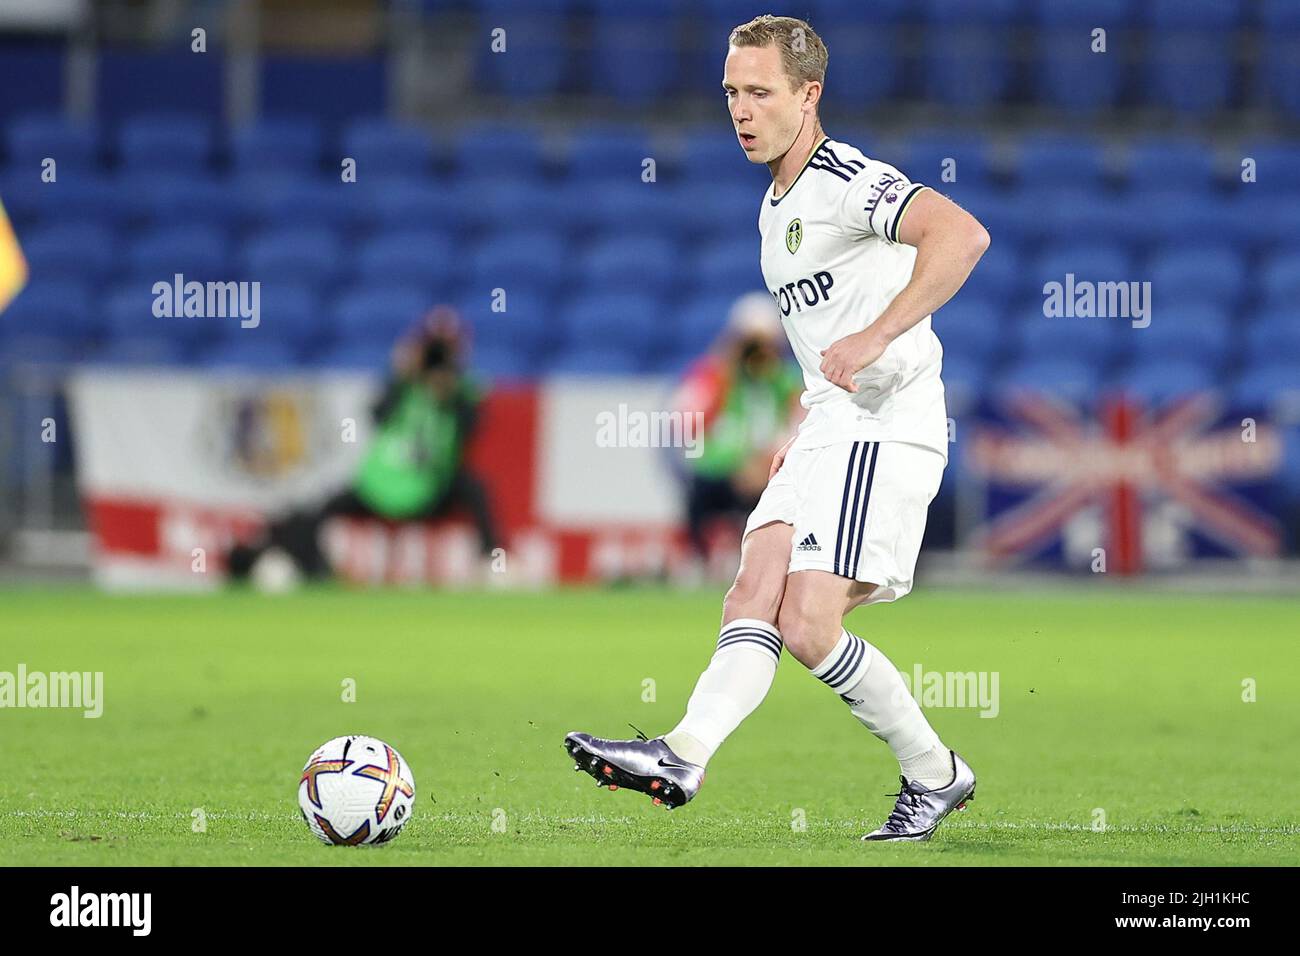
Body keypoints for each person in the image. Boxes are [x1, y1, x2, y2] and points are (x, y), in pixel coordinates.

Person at [564, 14, 991, 842]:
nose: (742, 109)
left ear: (809, 94)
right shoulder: (775, 208)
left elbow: (962, 236)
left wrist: (877, 336)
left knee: (807, 624)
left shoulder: (845, 180)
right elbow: (823, 335)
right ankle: (683, 753)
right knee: (752, 588)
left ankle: (935, 774)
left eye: (760, 92)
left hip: (884, 423)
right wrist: (807, 417)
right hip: (833, 423)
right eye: (731, 92)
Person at [227, 307, 500, 583]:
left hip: (431, 486)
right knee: (317, 509)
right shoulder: (403, 385)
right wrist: (402, 375)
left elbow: (470, 428)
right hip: (381, 485)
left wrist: (450, 393)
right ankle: (301, 564)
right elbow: (376, 416)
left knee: (475, 489)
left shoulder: (464, 391)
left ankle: (493, 562)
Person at [672, 291, 803, 570]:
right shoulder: (715, 375)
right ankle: (698, 559)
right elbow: (686, 419)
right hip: (720, 470)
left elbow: (799, 423)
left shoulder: (786, 380)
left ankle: (759, 559)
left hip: (767, 470)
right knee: (701, 490)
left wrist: (764, 458)